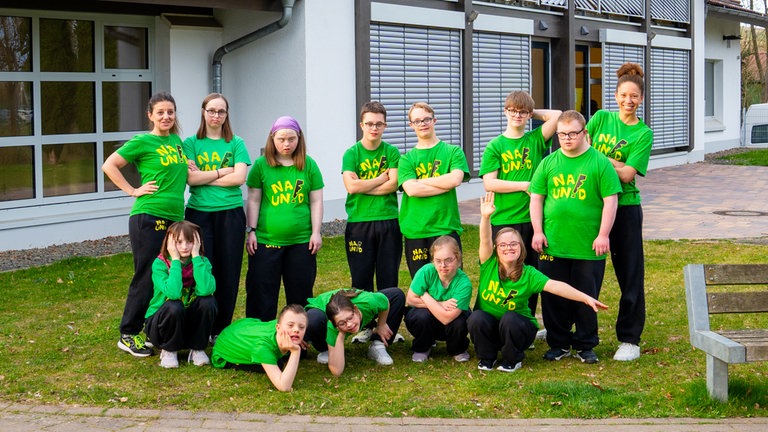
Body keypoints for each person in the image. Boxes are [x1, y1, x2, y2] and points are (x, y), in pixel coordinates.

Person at [469, 192, 608, 372]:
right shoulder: (489, 264)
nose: (508, 248)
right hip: (491, 330)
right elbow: (485, 239)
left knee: (510, 317)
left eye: (514, 244)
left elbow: (556, 286)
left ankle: (512, 359)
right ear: (496, 249)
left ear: (521, 248)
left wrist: (585, 298)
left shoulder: (529, 274)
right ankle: (487, 358)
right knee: (477, 317)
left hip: (518, 330)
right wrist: (486, 217)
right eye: (503, 245)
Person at [529, 110, 621, 364]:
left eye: (573, 133)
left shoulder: (599, 162)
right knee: (552, 296)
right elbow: (536, 198)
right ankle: (558, 343)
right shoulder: (548, 163)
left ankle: (584, 343)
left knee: (586, 294)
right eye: (562, 134)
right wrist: (537, 231)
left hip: (587, 244)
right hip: (553, 242)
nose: (567, 139)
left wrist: (603, 234)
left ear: (584, 133)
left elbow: (610, 200)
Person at [102, 91, 188, 357]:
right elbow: (110, 165)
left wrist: (189, 164)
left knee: (164, 273)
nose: (166, 116)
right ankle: (128, 333)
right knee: (146, 275)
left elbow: (175, 170)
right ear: (150, 115)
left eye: (170, 112)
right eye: (160, 112)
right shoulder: (142, 141)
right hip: (149, 217)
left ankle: (154, 329)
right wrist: (132, 190)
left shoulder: (176, 141)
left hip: (174, 218)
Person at [586, 63, 654, 362]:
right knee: (585, 271)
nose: (629, 100)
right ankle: (575, 331)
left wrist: (597, 158)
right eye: (624, 95)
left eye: (634, 97)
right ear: (615, 96)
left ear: (641, 99)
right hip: (590, 206)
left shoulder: (642, 133)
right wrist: (612, 163)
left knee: (630, 275)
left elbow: (627, 176)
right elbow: (577, 146)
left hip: (625, 209)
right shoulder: (600, 118)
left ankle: (629, 339)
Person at [479, 90, 561, 333]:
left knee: (529, 269)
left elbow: (557, 116)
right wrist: (524, 185)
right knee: (505, 270)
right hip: (505, 219)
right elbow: (489, 183)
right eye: (512, 110)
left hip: (532, 218)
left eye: (522, 112)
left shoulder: (535, 139)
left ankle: (528, 322)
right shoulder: (496, 145)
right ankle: (501, 316)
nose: (517, 115)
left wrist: (530, 109)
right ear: (505, 111)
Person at [184, 93, 251, 343]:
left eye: (221, 112)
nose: (216, 116)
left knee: (228, 269)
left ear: (226, 115)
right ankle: (200, 322)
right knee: (200, 268)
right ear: (203, 111)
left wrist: (206, 174)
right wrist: (224, 170)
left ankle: (220, 328)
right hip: (199, 214)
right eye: (211, 110)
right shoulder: (191, 142)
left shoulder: (236, 143)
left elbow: (240, 178)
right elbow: (191, 179)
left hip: (230, 214)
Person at [244, 116, 324, 321]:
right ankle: (261, 338)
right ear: (272, 139)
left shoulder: (308, 165)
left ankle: (299, 339)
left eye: (291, 138)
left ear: (299, 138)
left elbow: (315, 201)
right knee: (261, 294)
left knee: (300, 294)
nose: (286, 144)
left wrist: (316, 232)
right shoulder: (262, 165)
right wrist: (251, 231)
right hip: (266, 241)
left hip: (301, 242)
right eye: (281, 139)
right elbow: (253, 199)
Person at [342, 101, 402, 344]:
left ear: (385, 125)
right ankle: (366, 327)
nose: (374, 128)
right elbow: (351, 186)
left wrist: (363, 186)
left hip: (388, 221)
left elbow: (394, 184)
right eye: (369, 124)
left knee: (388, 278)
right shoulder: (352, 153)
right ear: (361, 125)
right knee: (361, 279)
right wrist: (379, 178)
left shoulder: (393, 152)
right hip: (359, 223)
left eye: (378, 124)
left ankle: (387, 327)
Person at [398, 102, 470, 278]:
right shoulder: (406, 159)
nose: (422, 124)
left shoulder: (453, 151)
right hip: (416, 229)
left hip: (445, 226)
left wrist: (421, 181)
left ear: (434, 120)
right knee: (422, 283)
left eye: (426, 119)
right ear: (411, 125)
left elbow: (455, 179)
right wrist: (443, 185)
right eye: (417, 121)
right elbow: (412, 190)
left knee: (451, 281)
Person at [145, 221, 217, 368]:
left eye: (190, 241)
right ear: (170, 243)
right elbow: (173, 293)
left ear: (197, 242)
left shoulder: (203, 262)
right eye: (179, 242)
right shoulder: (160, 264)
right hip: (161, 326)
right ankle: (169, 350)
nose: (184, 247)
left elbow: (206, 290)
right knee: (174, 305)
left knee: (208, 302)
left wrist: (196, 257)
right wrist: (176, 260)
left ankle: (197, 348)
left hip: (186, 324)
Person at [304, 288, 405, 375]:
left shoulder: (369, 302)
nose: (350, 325)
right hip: (320, 307)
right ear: (334, 324)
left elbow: (384, 301)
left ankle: (378, 345)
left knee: (397, 294)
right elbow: (336, 371)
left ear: (355, 310)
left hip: (346, 305)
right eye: (342, 323)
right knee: (312, 321)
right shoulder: (332, 327)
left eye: (350, 318)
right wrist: (340, 337)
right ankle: (326, 349)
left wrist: (381, 324)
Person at [404, 235, 472, 363]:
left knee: (459, 320)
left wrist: (424, 294)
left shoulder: (464, 283)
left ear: (458, 259)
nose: (443, 265)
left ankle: (457, 349)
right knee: (421, 316)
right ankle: (422, 347)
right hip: (427, 322)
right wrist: (440, 303)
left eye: (448, 260)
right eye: (438, 261)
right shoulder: (426, 271)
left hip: (449, 323)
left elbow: (447, 318)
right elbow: (410, 300)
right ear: (433, 260)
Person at [211, 304, 307, 392]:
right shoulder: (263, 347)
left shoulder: (282, 327)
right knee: (278, 364)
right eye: (290, 325)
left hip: (242, 327)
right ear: (278, 327)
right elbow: (284, 387)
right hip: (223, 349)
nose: (296, 330)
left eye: (301, 327)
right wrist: (295, 351)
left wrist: (294, 337)